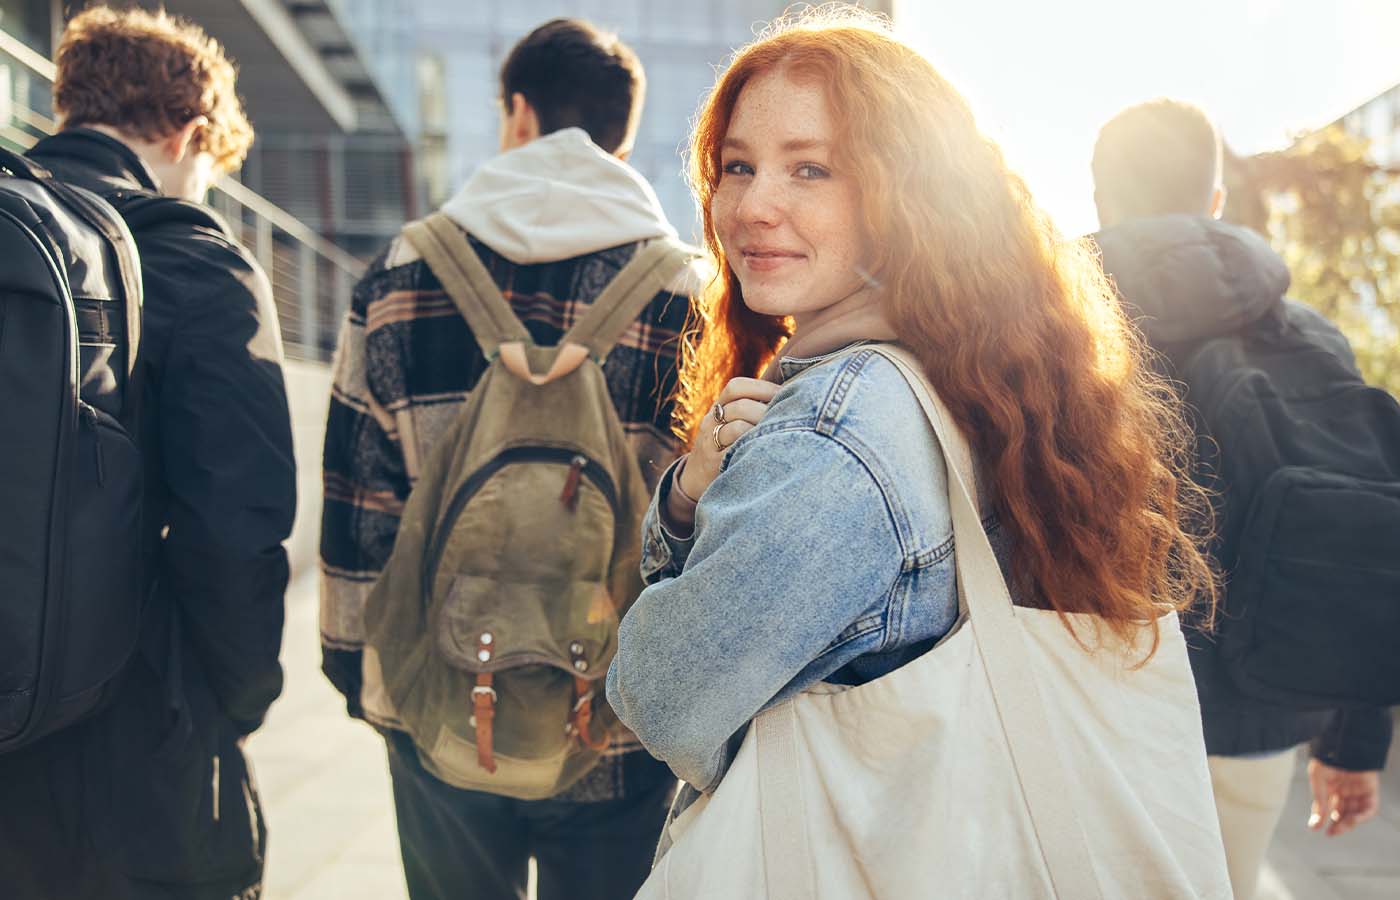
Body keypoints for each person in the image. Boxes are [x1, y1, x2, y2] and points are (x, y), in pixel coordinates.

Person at [605, 6, 1222, 889]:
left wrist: (680, 512)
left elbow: (662, 696)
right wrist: (693, 495)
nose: (752, 206)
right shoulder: (973, 369)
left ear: (910, 191)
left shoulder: (838, 428)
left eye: (810, 168)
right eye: (736, 166)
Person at [319, 18, 703, 900]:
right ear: (621, 137)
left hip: (441, 705)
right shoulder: (687, 293)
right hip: (614, 721)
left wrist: (366, 681)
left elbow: (357, 506)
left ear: (518, 114)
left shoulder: (400, 275)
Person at [1, 6, 296, 900]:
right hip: (130, 747)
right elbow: (236, 527)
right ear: (193, 133)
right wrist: (238, 703)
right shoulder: (194, 261)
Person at [1091, 98, 1393, 900]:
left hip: (1094, 710)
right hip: (1262, 714)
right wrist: (1355, 739)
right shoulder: (1311, 335)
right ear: (1215, 203)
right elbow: (1364, 533)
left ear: (1099, 200)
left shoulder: (1055, 333)